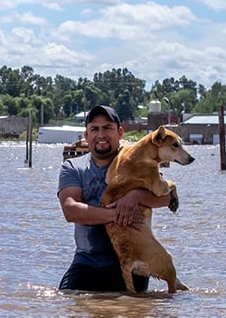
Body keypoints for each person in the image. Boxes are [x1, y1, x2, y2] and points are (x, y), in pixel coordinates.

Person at [56, 104, 173, 293]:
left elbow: (166, 199)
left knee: (133, 316)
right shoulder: (73, 167)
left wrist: (134, 196)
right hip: (87, 261)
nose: (101, 134)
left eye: (107, 128)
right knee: (67, 305)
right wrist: (114, 214)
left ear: (120, 132)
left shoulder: (136, 162)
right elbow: (71, 210)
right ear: (86, 135)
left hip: (134, 260)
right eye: (95, 129)